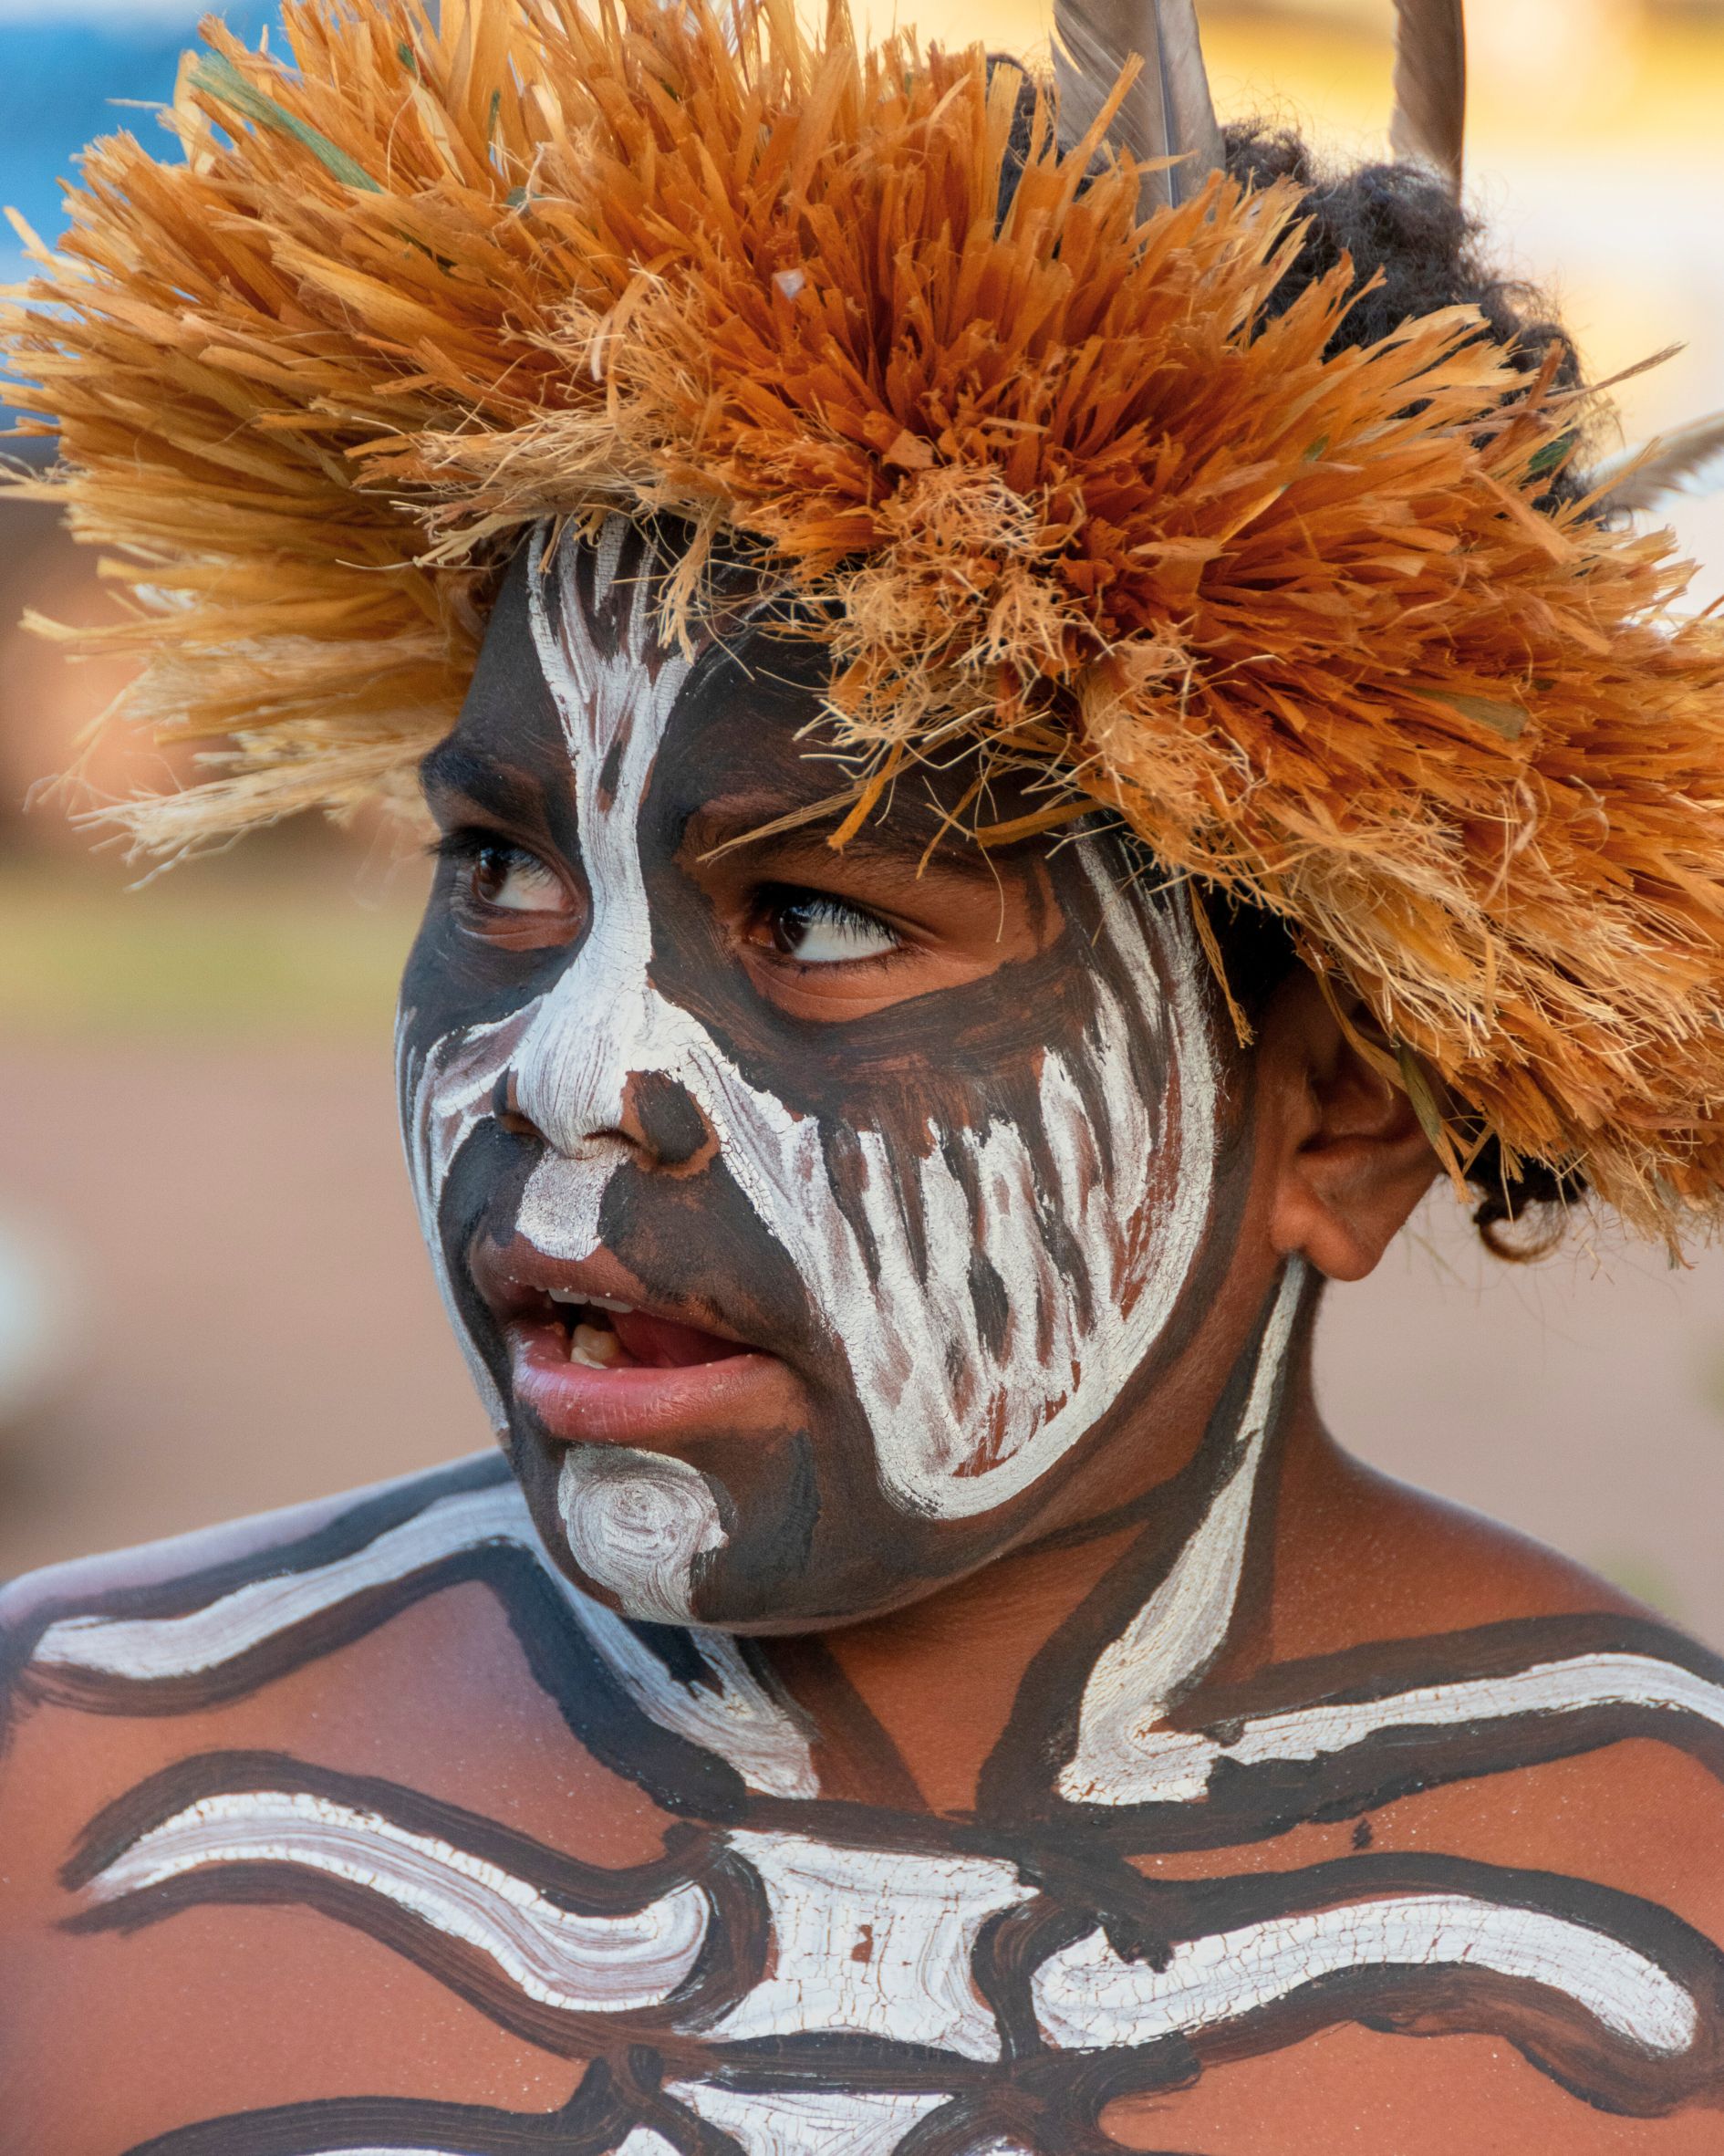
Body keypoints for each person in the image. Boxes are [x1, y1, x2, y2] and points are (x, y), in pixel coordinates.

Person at [4, 3, 1724, 2150]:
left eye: (817, 918)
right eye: (503, 872)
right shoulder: (57, 1806)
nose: (573, 1073)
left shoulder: (1670, 1932)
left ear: (1344, 1108)